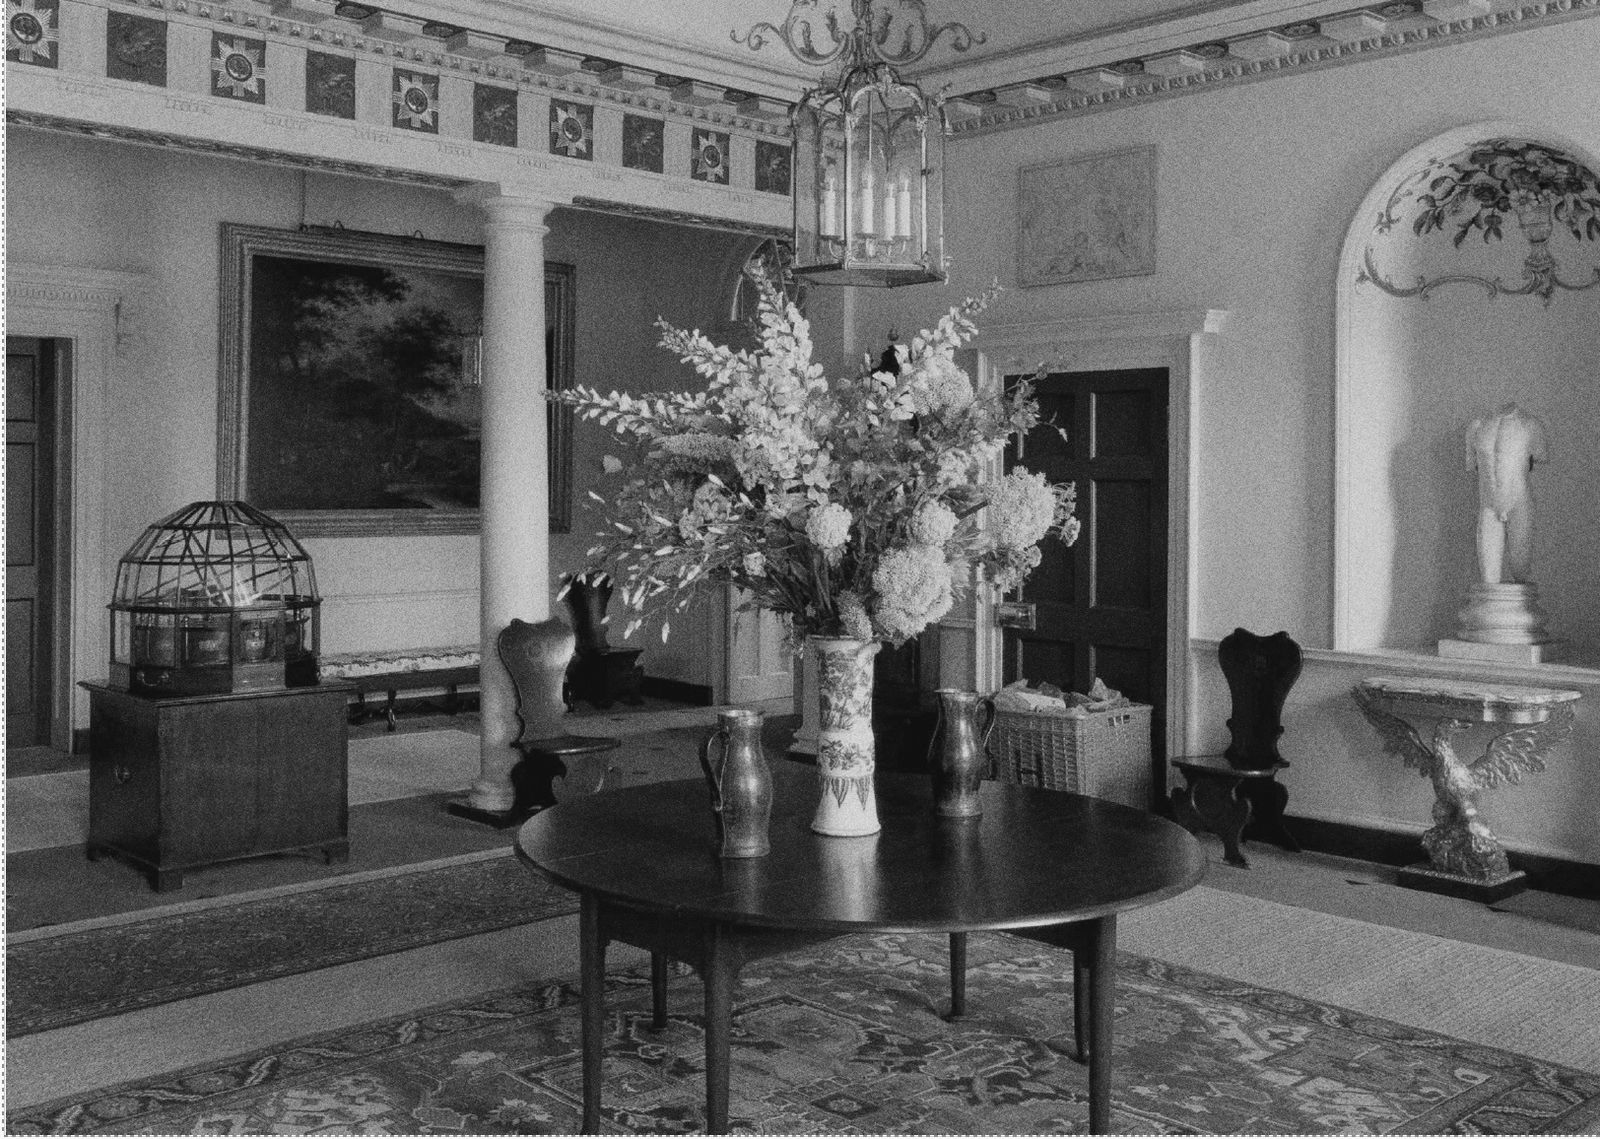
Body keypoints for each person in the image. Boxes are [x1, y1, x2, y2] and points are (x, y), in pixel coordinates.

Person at [1465, 403, 1548, 584]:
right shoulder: (1477, 427)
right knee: (1488, 578)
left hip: (1519, 504)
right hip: (1488, 505)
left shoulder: (1530, 426)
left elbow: (1541, 455)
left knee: (1521, 571)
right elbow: (1473, 464)